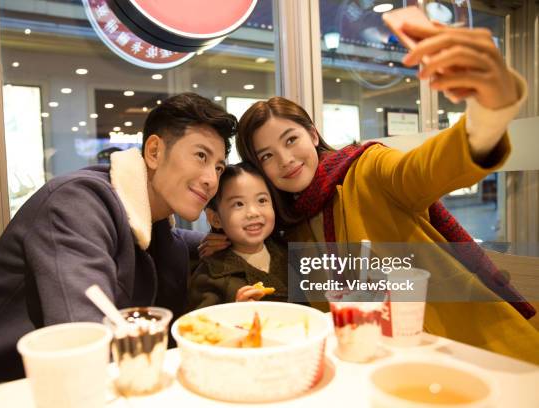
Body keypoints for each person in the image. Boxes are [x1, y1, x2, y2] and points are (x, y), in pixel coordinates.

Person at [227, 24, 539, 363]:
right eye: (267, 156)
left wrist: (488, 112)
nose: (285, 160)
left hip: (465, 353)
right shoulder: (291, 224)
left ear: (313, 134)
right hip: (372, 368)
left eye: (291, 140)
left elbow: (425, 168)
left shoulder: (368, 169)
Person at [0, 93, 237, 385]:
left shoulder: (156, 228)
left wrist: (238, 233)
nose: (211, 178)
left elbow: (186, 241)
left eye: (220, 167)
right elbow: (84, 336)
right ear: (154, 152)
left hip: (49, 389)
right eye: (200, 156)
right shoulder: (77, 202)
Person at [187, 163, 288, 310]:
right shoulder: (209, 276)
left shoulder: (288, 253)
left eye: (262, 200)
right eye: (238, 204)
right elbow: (200, 326)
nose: (253, 212)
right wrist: (236, 311)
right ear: (216, 219)